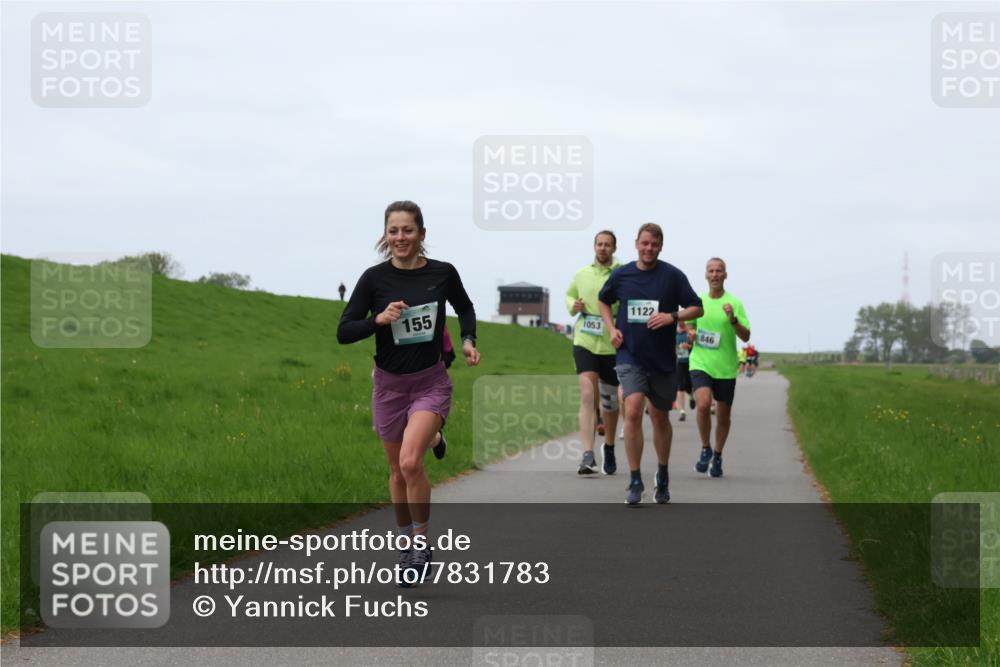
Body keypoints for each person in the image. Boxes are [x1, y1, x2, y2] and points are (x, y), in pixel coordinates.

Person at [337, 200, 480, 585]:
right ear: (385, 235)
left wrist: (467, 340)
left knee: (410, 463)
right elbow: (344, 330)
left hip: (430, 382)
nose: (400, 237)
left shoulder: (442, 273)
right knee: (397, 473)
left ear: (422, 234)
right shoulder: (373, 279)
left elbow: (465, 308)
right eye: (394, 231)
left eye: (408, 230)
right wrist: (378, 320)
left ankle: (421, 545)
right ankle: (404, 544)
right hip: (389, 387)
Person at [598, 223, 703, 504]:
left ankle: (663, 473)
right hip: (630, 354)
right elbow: (603, 301)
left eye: (654, 244)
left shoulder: (672, 276)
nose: (648, 249)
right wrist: (611, 329)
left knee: (659, 417)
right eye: (644, 243)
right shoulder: (622, 275)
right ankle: (634, 480)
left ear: (660, 246)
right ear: (636, 244)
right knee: (632, 410)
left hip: (662, 360)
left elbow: (697, 306)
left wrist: (673, 316)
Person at [688, 258, 750, 478]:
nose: (714, 274)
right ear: (705, 275)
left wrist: (732, 319)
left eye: (719, 271)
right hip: (700, 362)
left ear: (725, 275)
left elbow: (746, 336)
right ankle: (705, 448)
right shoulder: (698, 301)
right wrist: (690, 333)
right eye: (711, 271)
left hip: (725, 367)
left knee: (723, 417)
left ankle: (718, 454)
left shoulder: (734, 302)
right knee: (703, 404)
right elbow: (689, 325)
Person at [566, 230, 622, 475]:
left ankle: (608, 446)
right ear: (594, 247)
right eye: (599, 244)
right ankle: (587, 454)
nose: (602, 248)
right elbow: (569, 295)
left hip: (612, 342)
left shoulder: (622, 273)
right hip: (585, 340)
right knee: (588, 394)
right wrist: (573, 305)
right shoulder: (581, 274)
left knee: (609, 401)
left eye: (607, 245)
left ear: (614, 248)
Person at [675, 323, 694, 422]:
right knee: (680, 387)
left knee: (688, 386)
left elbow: (696, 345)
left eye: (683, 321)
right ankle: (682, 411)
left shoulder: (689, 332)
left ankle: (691, 396)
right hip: (679, 363)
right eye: (679, 321)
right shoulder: (674, 333)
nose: (681, 323)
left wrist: (689, 346)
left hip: (690, 363)